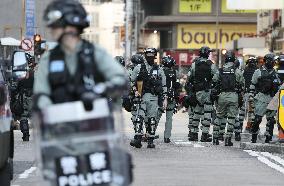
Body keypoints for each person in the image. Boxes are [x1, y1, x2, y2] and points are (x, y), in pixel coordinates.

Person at [33, 0, 127, 114]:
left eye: (55, 25)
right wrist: (47, 109)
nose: (51, 29)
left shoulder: (96, 53)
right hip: (61, 127)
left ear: (70, 26)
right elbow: (41, 94)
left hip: (97, 125)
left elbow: (121, 79)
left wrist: (99, 90)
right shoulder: (48, 59)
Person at [130, 47, 167, 148]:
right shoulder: (139, 67)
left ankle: (150, 141)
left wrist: (165, 99)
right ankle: (137, 138)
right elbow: (132, 81)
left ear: (155, 56)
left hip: (154, 98)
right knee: (139, 117)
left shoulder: (159, 69)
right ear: (145, 56)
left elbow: (164, 85)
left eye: (152, 56)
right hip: (141, 97)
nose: (150, 58)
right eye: (148, 56)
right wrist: (135, 91)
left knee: (152, 119)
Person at [212, 51, 244, 146]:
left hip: (222, 96)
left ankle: (215, 138)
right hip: (233, 96)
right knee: (231, 117)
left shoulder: (220, 70)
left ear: (225, 59)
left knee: (219, 116)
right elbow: (242, 84)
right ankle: (228, 139)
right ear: (234, 59)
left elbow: (214, 80)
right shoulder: (237, 71)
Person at [186, 46, 217, 142]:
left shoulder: (195, 64)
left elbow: (189, 77)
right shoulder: (211, 64)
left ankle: (194, 134)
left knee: (196, 112)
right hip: (207, 91)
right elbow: (216, 77)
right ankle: (204, 135)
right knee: (207, 114)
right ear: (207, 54)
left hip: (197, 92)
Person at [249, 54, 281, 143]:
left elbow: (279, 86)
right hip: (261, 98)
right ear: (267, 61)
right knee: (257, 119)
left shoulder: (275, 72)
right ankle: (254, 136)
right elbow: (252, 84)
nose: (274, 62)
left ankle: (268, 137)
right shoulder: (258, 72)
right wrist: (251, 97)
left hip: (272, 99)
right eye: (272, 61)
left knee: (271, 120)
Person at [157, 55, 179, 143]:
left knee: (157, 116)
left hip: (162, 97)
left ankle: (151, 133)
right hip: (172, 96)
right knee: (169, 118)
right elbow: (176, 85)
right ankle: (167, 137)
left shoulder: (160, 71)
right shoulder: (174, 72)